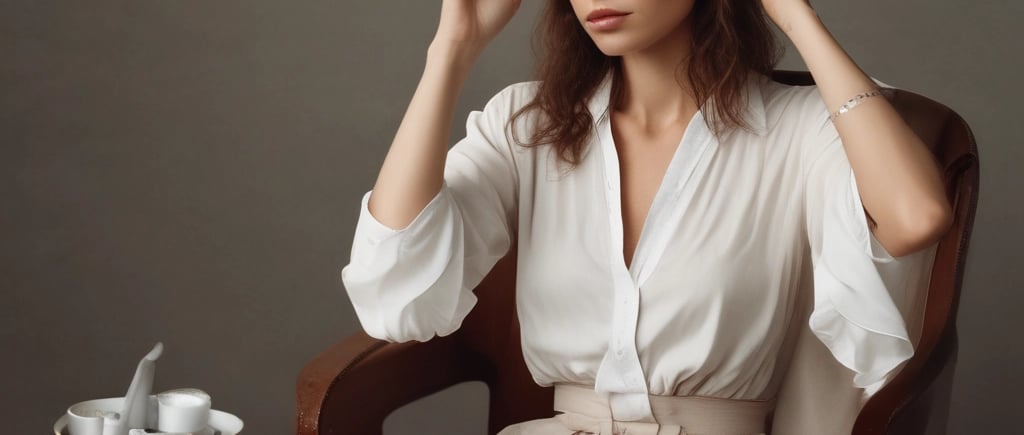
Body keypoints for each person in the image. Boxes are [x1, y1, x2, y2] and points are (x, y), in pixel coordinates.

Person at [341, 0, 952, 433]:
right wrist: (452, 48)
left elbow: (915, 216)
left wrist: (793, 12)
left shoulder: (801, 128)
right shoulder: (528, 124)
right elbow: (398, 287)